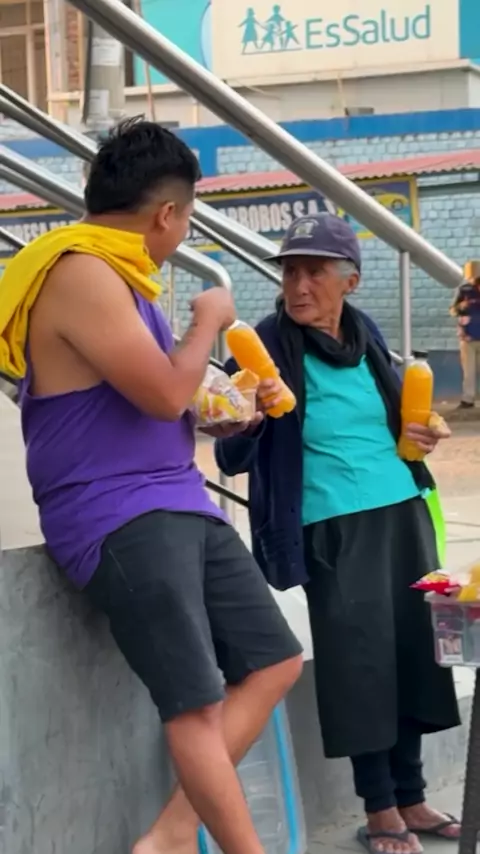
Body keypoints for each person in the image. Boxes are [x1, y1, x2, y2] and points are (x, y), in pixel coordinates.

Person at [12, 120, 303, 854]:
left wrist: (226, 411)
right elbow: (165, 393)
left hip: (177, 499)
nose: (184, 235)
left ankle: (171, 834)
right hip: (118, 513)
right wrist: (209, 317)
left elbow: (170, 397)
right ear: (168, 214)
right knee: (195, 704)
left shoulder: (125, 280)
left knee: (275, 660)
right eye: (188, 219)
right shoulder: (82, 272)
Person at [215, 213, 462, 854]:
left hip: (403, 510)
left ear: (349, 280)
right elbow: (230, 455)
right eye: (290, 272)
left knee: (412, 652)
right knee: (360, 662)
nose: (299, 286)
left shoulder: (363, 331)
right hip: (330, 525)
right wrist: (247, 418)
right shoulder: (264, 345)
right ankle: (379, 808)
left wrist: (422, 434)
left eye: (314, 272)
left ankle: (412, 796)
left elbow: (394, 421)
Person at [450, 260, 480, 409]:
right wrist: (461, 306)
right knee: (469, 371)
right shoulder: (464, 290)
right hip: (468, 337)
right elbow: (453, 310)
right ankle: (468, 399)